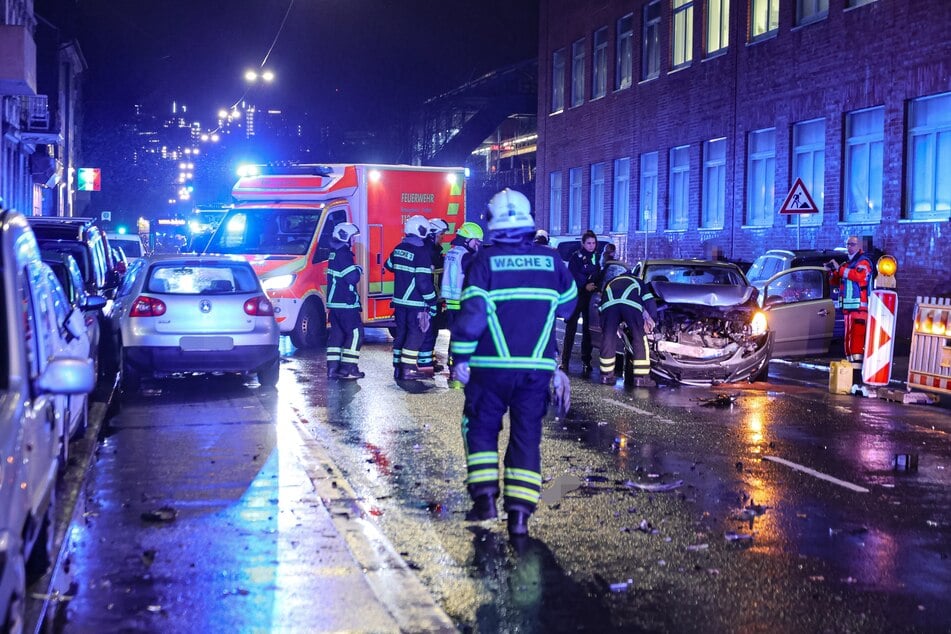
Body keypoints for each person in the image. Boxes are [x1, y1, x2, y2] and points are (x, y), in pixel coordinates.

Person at [450, 188, 577, 539]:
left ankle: (485, 501)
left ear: (493, 224)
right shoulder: (553, 261)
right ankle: (519, 516)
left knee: (480, 429)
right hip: (535, 370)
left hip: (490, 368)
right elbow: (568, 306)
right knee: (526, 437)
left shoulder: (484, 262)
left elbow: (473, 315)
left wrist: (461, 358)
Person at [385, 215, 437, 381]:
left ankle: (398, 368)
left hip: (399, 302)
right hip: (416, 303)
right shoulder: (421, 252)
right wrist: (432, 301)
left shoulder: (399, 248)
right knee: (416, 335)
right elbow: (423, 283)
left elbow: (388, 265)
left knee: (401, 334)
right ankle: (408, 370)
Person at [439, 221, 484, 388]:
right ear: (467, 239)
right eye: (476, 241)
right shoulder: (466, 256)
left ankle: (453, 366)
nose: (478, 244)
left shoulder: (452, 252)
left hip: (451, 302)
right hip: (461, 302)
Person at [596, 268, 658, 386]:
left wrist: (612, 327)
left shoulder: (611, 281)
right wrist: (653, 321)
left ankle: (606, 376)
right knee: (639, 337)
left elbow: (601, 306)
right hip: (631, 305)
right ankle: (641, 378)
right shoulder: (638, 281)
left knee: (608, 338)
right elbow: (649, 301)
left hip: (609, 307)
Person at [826, 235, 873, 375]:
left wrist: (839, 269)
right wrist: (831, 271)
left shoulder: (864, 262)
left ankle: (857, 373)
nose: (849, 247)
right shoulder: (847, 264)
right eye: (847, 244)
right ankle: (850, 372)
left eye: (852, 244)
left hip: (859, 309)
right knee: (848, 341)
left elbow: (858, 276)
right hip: (848, 310)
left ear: (859, 246)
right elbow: (835, 281)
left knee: (857, 340)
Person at [325, 222, 365, 380]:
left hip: (335, 303)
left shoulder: (334, 252)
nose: (353, 240)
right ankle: (349, 369)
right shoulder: (343, 253)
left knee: (337, 335)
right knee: (355, 334)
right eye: (352, 237)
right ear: (345, 237)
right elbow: (352, 277)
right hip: (346, 303)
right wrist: (358, 269)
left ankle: (333, 369)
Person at [561, 230, 601, 376]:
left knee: (588, 330)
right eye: (589, 243)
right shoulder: (576, 257)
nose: (591, 246)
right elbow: (573, 276)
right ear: (583, 244)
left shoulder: (596, 257)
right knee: (571, 329)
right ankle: (565, 361)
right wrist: (585, 285)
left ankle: (586, 361)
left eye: (593, 243)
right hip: (577, 296)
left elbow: (598, 274)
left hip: (590, 297)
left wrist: (595, 285)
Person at [420, 218, 450, 372]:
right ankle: (425, 363)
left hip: (435, 298)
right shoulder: (429, 252)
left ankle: (429, 360)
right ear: (432, 234)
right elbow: (428, 278)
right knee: (429, 332)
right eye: (441, 234)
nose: (443, 237)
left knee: (433, 331)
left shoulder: (435, 250)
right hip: (429, 300)